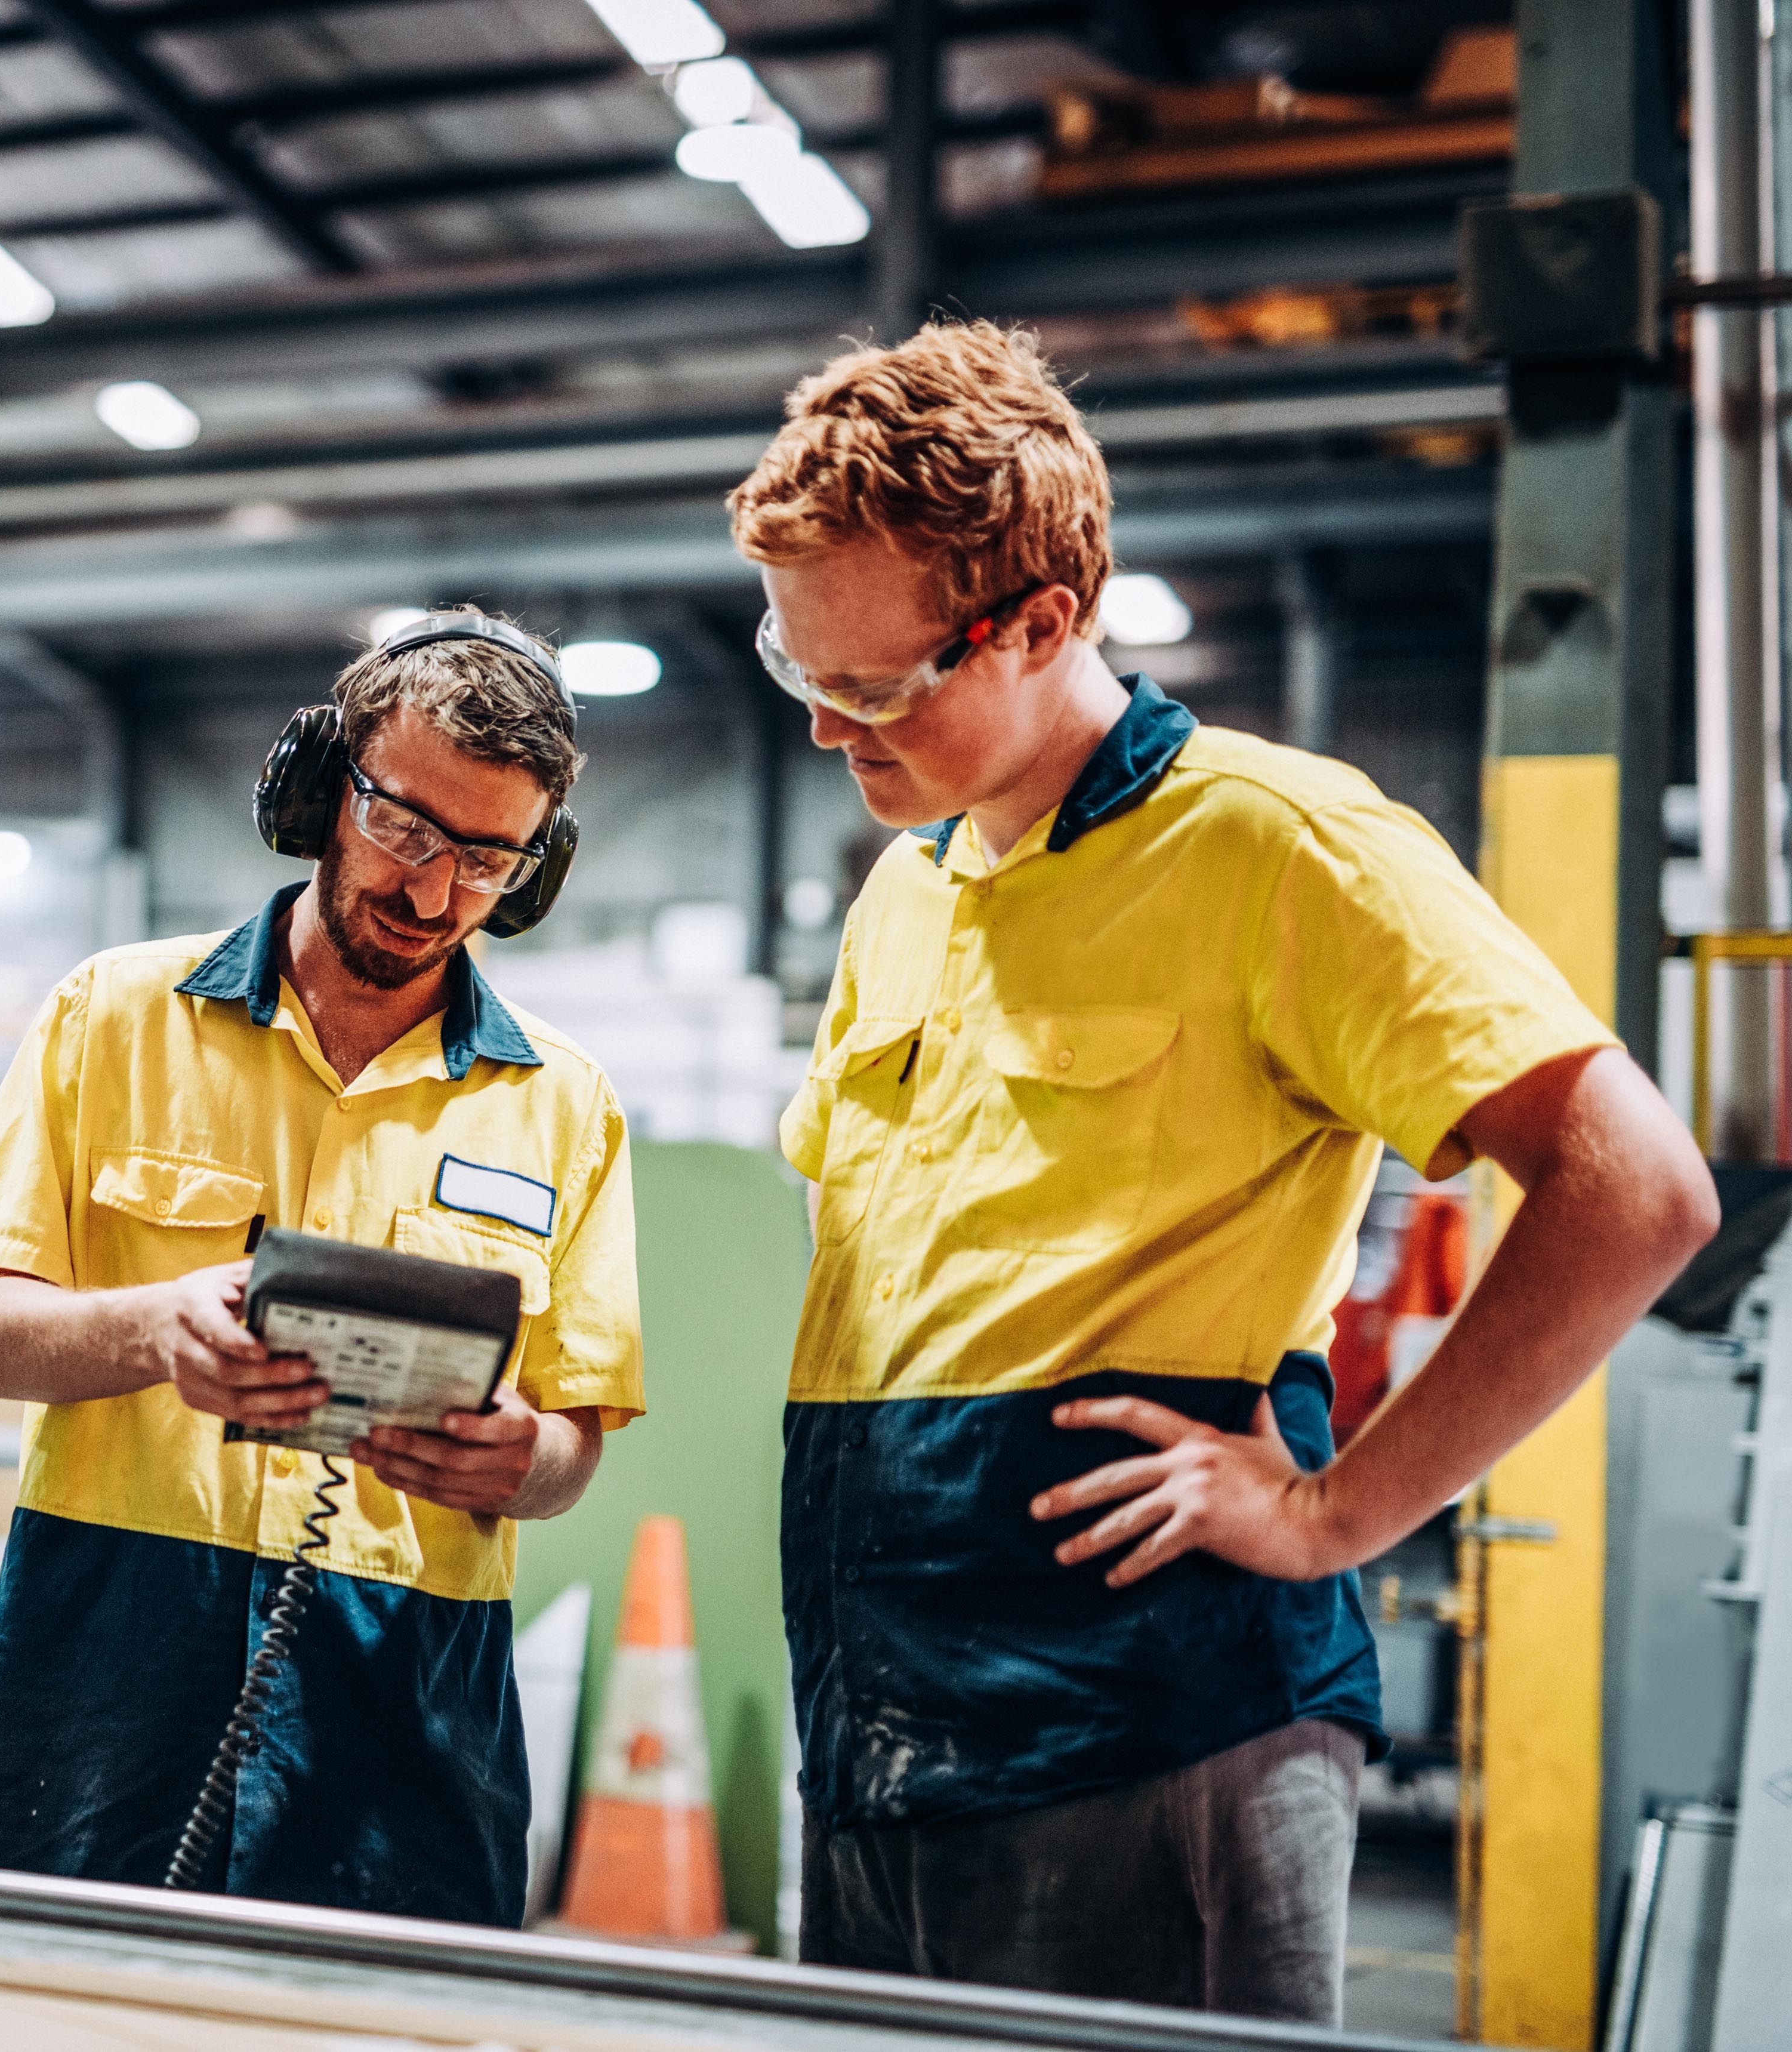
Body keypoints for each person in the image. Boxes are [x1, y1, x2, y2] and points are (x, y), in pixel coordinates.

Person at [733, 322, 1717, 2022]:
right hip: (887, 1746)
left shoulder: (1280, 844)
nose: (831, 731)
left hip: (1145, 1734)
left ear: (1043, 622)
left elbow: (1637, 1186)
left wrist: (1338, 1509)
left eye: (879, 688)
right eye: (795, 670)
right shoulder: (914, 886)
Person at [0, 611, 644, 1926]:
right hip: (106, 1662)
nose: (430, 894)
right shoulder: (111, 1017)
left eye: (485, 860)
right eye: (403, 829)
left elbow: (572, 1443)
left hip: (404, 1696)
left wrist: (518, 1461)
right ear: (320, 786)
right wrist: (154, 1328)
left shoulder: (565, 1106)